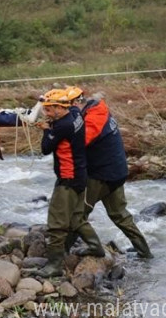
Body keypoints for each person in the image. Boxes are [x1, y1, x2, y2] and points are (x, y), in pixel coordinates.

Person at [65, 86, 153, 258]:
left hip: (100, 175)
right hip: (117, 171)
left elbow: (78, 142)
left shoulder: (93, 119)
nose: (64, 110)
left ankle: (63, 253)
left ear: (76, 102)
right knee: (119, 215)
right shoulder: (95, 108)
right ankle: (144, 252)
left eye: (65, 106)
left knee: (77, 214)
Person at [35, 89, 105, 278]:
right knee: (77, 218)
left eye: (49, 110)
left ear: (60, 108)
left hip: (67, 179)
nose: (47, 113)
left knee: (56, 224)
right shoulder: (75, 114)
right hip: (81, 175)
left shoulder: (62, 126)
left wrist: (46, 130)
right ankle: (96, 247)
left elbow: (45, 149)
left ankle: (55, 265)